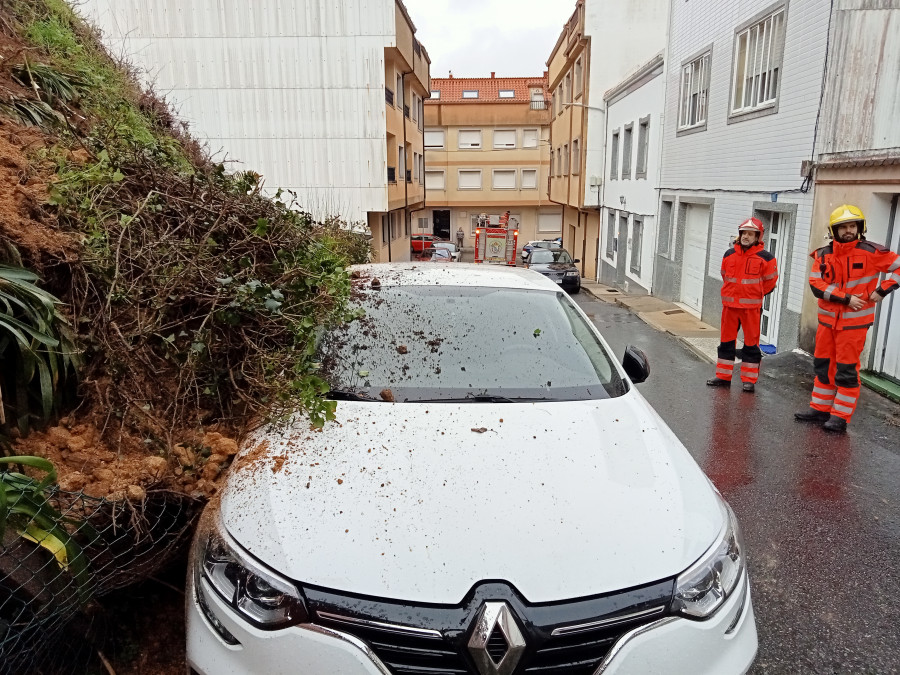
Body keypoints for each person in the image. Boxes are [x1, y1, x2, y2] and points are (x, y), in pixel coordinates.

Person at [795, 204, 900, 433]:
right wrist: (846, 298)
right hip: (827, 323)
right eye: (843, 227)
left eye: (852, 225)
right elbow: (816, 285)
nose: (848, 230)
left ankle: (840, 416)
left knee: (846, 370)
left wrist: (883, 289)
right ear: (834, 231)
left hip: (854, 325)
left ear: (860, 227)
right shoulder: (822, 254)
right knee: (823, 365)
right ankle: (820, 409)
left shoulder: (871, 252)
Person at [707, 217, 778, 393]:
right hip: (730, 308)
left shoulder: (766, 258)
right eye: (744, 233)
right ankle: (723, 376)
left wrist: (753, 294)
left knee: (751, 345)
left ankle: (749, 380)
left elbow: (770, 282)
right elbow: (725, 275)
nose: (746, 236)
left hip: (751, 309)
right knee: (726, 343)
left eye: (750, 234)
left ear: (758, 236)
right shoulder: (729, 254)